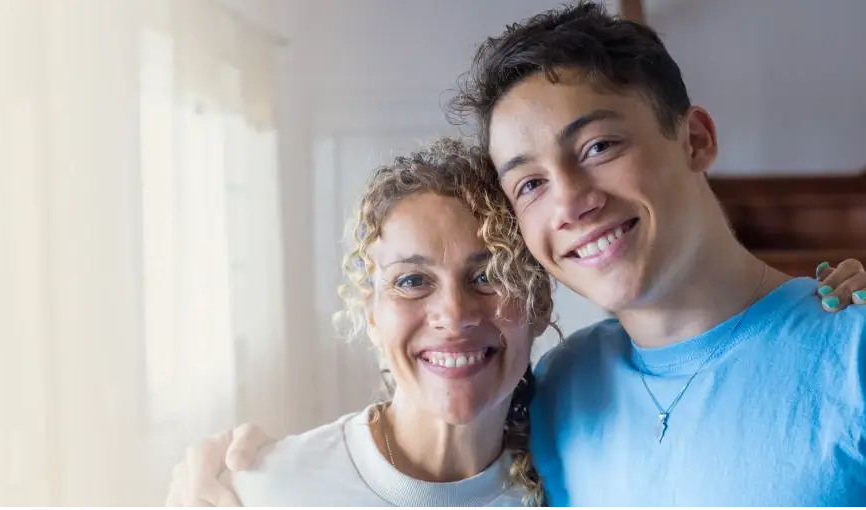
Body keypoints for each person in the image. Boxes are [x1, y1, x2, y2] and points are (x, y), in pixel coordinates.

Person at [166, 2, 866, 508]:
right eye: (529, 182)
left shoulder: (851, 347)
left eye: (598, 147)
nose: (569, 201)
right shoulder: (560, 391)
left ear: (696, 140)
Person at [212, 138, 550, 508]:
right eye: (412, 281)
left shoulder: (579, 485)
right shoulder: (266, 491)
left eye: (489, 276)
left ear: (540, 305)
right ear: (371, 315)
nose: (454, 316)